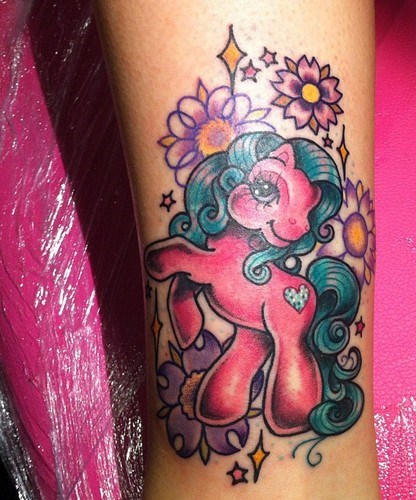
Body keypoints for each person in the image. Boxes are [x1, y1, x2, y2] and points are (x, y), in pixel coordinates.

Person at [94, 1, 379, 497]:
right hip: (245, 316)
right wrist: (185, 319)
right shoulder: (224, 239)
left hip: (282, 307)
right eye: (272, 194)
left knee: (283, 355)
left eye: (299, 220)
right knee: (235, 369)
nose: (292, 226)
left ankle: (296, 398)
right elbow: (185, 277)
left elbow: (178, 264)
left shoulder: (237, 263)